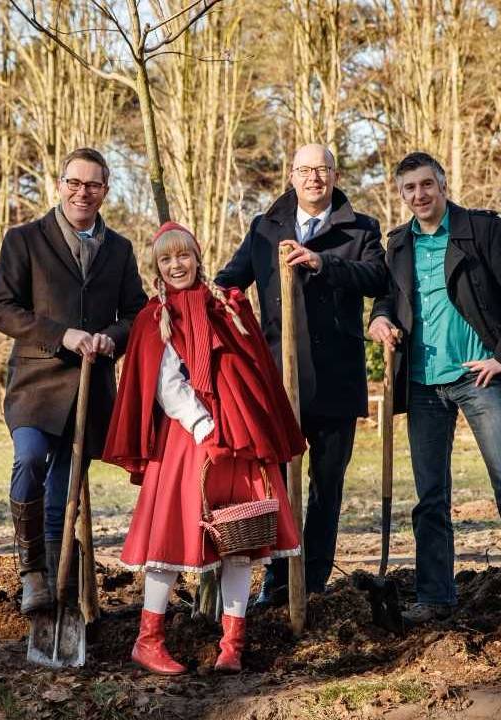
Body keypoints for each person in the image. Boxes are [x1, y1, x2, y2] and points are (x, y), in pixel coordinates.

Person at [103, 222, 305, 675]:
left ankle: (232, 642)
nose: (177, 266)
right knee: (173, 537)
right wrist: (202, 426)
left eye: (184, 256)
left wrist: (252, 428)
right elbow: (165, 384)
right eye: (167, 260)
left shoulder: (223, 309)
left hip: (239, 438)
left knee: (241, 536)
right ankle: (148, 640)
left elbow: (252, 371)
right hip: (188, 440)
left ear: (198, 258)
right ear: (157, 268)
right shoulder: (154, 317)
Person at [368, 151, 501, 624]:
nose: (419, 195)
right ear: (401, 194)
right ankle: (435, 598)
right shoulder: (398, 245)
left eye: (427, 185)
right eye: (409, 188)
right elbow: (387, 299)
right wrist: (379, 319)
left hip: (478, 377)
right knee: (430, 496)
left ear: (443, 185)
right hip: (422, 385)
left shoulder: (481, 230)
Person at [215, 143, 388, 607]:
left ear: (334, 175)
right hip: (278, 383)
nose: (315, 178)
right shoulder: (264, 228)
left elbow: (377, 279)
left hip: (336, 379)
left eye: (323, 169)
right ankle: (277, 583)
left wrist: (321, 262)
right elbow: (230, 282)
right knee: (279, 490)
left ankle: (311, 585)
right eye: (305, 170)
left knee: (326, 487)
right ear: (291, 175)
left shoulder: (361, 228)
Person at [0, 147, 148, 614]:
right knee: (31, 459)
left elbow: (135, 312)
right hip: (36, 383)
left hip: (91, 388)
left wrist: (109, 338)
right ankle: (32, 569)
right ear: (60, 185)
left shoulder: (119, 249)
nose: (83, 192)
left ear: (105, 191)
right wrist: (64, 335)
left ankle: (56, 587)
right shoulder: (25, 240)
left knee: (66, 486)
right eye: (74, 183)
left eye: (93, 185)